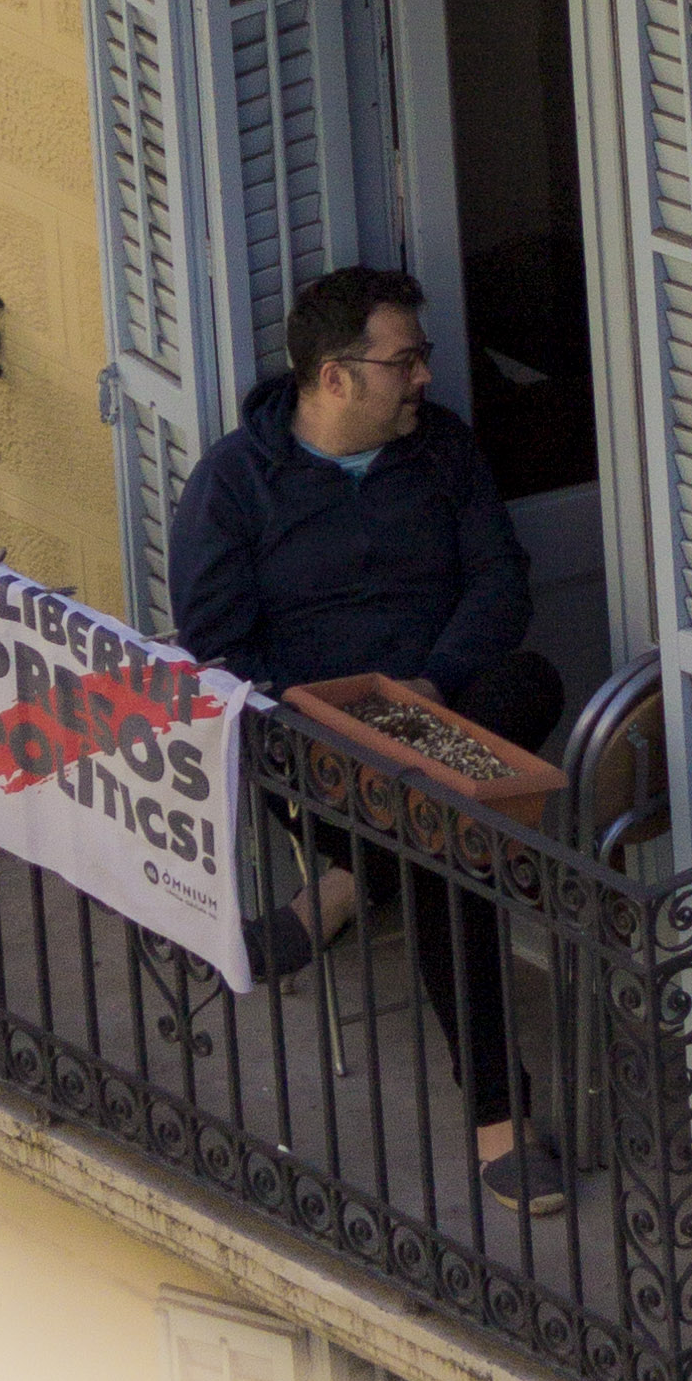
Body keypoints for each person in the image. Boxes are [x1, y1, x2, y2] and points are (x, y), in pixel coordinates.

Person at [166, 266, 570, 1217]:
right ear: (335, 377)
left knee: (528, 688)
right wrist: (328, 717)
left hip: (448, 709)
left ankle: (344, 891)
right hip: (319, 749)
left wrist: (430, 684)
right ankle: (500, 1117)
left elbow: (500, 581)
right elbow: (220, 651)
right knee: (442, 848)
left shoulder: (442, 449)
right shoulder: (234, 483)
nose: (426, 376)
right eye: (407, 360)